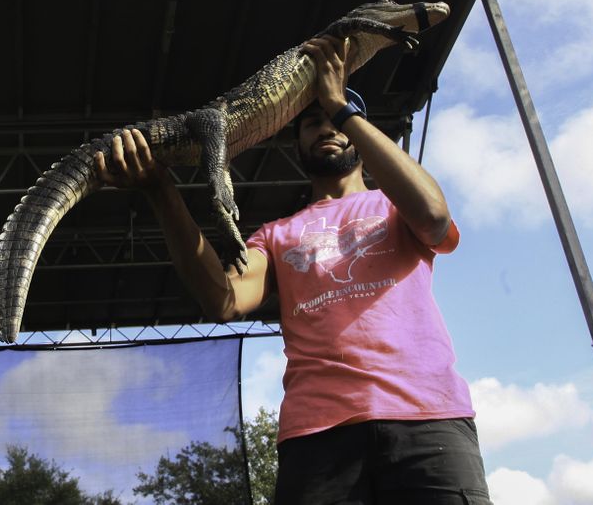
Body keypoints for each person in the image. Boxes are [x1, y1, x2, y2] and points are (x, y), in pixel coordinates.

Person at [95, 35, 490, 504]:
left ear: (360, 133)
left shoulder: (393, 205)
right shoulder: (277, 234)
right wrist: (162, 191)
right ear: (295, 144)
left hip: (428, 419)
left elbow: (434, 216)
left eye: (337, 119)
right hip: (317, 434)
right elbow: (224, 299)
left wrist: (340, 104)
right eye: (311, 123)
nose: (326, 127)